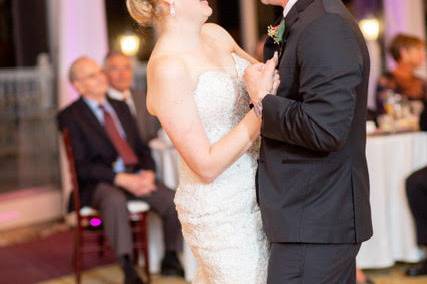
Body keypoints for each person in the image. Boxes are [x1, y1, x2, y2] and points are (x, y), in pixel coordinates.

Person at [127, 0, 280, 283]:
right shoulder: (167, 67)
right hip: (220, 209)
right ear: (167, 3)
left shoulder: (215, 34)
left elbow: (268, 79)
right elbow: (206, 165)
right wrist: (261, 109)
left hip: (263, 190)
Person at [244, 0, 372, 283]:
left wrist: (263, 101)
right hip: (306, 213)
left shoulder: (327, 24)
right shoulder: (304, 18)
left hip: (316, 214)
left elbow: (325, 127)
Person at [57, 57, 184, 284]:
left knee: (173, 201)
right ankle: (127, 267)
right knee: (114, 200)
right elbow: (82, 166)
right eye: (93, 75)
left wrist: (148, 172)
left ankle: (170, 257)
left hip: (135, 175)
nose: (102, 77)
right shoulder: (70, 116)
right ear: (78, 85)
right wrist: (120, 179)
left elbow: (141, 148)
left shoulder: (120, 106)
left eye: (99, 72)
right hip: (99, 183)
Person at [104, 51, 161, 143]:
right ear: (105, 73)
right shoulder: (102, 105)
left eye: (127, 68)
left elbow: (156, 130)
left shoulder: (145, 97)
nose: (122, 74)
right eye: (115, 69)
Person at [376, 34, 426, 115]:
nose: (423, 55)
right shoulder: (386, 80)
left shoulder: (421, 82)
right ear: (403, 52)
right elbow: (385, 113)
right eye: (418, 49)